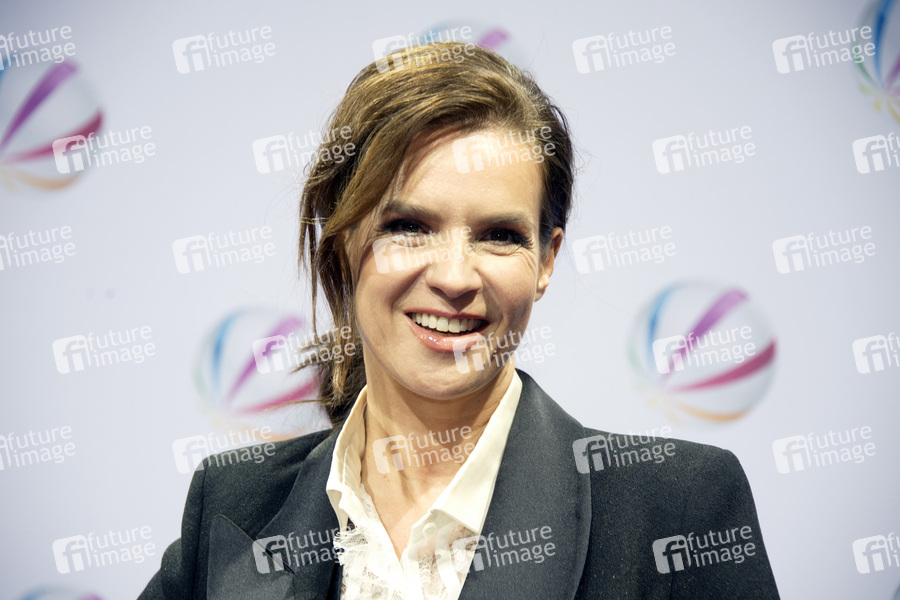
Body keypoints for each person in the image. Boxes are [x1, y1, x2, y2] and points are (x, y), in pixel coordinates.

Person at [140, 41, 780, 599]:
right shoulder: (232, 507)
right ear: (341, 238)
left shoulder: (679, 508)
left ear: (546, 259)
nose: (453, 277)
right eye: (408, 227)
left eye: (499, 236)